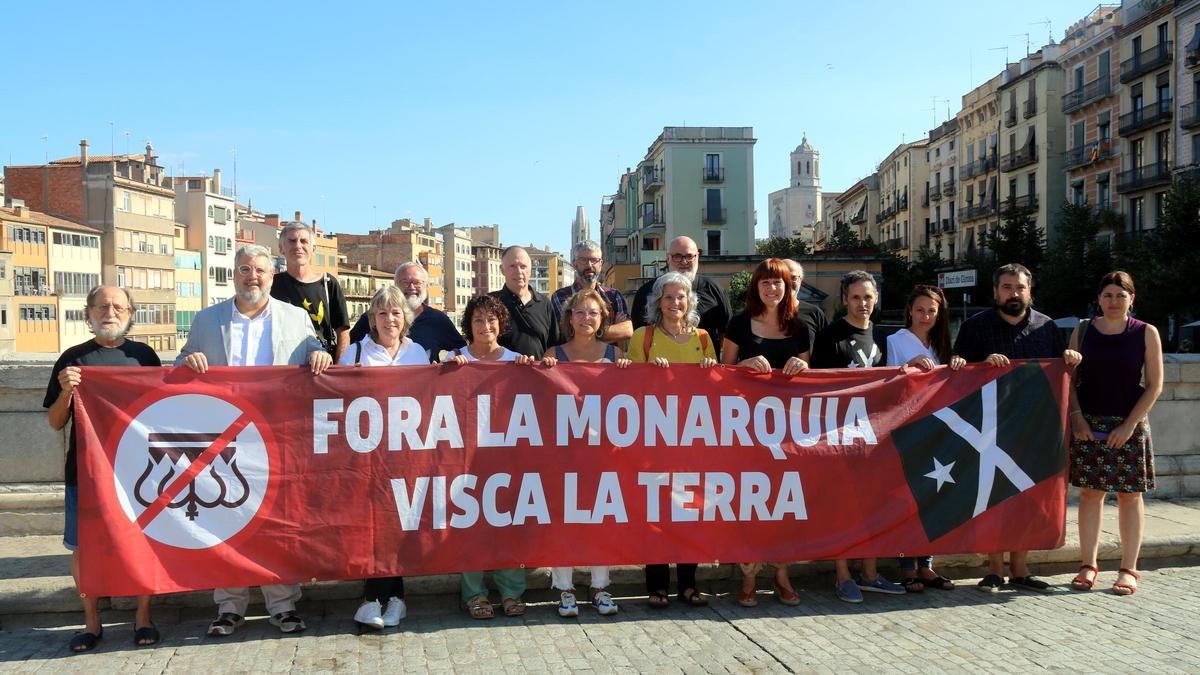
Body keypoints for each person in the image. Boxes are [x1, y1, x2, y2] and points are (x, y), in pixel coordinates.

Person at [177, 244, 332, 636]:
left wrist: (321, 356)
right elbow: (180, 363)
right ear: (234, 274)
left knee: (276, 524)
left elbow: (316, 349)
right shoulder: (207, 320)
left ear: (271, 275)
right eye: (245, 269)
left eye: (260, 270)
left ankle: (282, 604)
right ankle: (229, 605)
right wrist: (188, 362)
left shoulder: (294, 317)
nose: (253, 277)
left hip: (276, 439)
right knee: (225, 518)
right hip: (224, 439)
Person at [45, 286, 162, 653]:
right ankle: (91, 622)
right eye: (101, 306)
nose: (109, 311)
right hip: (86, 470)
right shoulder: (72, 358)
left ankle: (143, 618)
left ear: (130, 313)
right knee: (82, 546)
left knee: (144, 540)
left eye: (117, 306)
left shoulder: (144, 356)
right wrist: (66, 392)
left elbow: (161, 410)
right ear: (88, 313)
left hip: (137, 470)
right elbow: (54, 422)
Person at [953, 262, 1082, 593]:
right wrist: (981, 367)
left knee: (1027, 497)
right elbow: (954, 374)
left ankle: (1020, 570)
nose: (1013, 293)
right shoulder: (974, 327)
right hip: (989, 429)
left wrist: (1067, 358)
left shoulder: (1047, 327)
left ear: (1030, 292)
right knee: (994, 500)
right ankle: (994, 569)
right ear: (995, 292)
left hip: (1034, 429)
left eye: (1019, 288)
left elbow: (1060, 374)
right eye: (1007, 287)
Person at [810, 270, 905, 603]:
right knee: (843, 506)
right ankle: (842, 575)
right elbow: (818, 386)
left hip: (875, 435)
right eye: (856, 297)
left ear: (876, 298)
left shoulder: (884, 337)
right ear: (844, 299)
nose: (862, 304)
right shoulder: (829, 335)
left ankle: (870, 573)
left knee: (873, 506)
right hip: (839, 434)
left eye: (868, 297)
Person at [1067, 271, 1162, 596]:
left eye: (1120, 296)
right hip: (1090, 423)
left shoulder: (1146, 332)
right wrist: (1077, 418)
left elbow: (1154, 385)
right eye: (1108, 295)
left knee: (1130, 496)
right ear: (1099, 298)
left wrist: (1129, 425)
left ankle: (1128, 569)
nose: (1113, 301)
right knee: (1091, 495)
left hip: (1130, 424)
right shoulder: (1082, 331)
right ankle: (1088, 565)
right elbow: (1070, 381)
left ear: (1131, 299)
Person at [721, 258, 809, 607]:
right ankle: (749, 576)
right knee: (749, 502)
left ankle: (782, 575)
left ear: (788, 288)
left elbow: (810, 379)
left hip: (786, 429)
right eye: (765, 283)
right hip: (745, 429)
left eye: (779, 283)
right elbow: (720, 373)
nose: (772, 289)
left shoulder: (799, 327)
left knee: (785, 504)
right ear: (755, 288)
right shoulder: (739, 324)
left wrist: (804, 366)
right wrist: (741, 365)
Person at [340, 286, 428, 628]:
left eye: (395, 313)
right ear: (372, 319)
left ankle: (385, 599)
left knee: (398, 523)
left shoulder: (417, 352)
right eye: (382, 313)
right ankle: (383, 598)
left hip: (407, 453)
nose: (389, 319)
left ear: (404, 318)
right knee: (374, 525)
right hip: (367, 454)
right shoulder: (356, 353)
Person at [629, 272, 718, 608]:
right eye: (668, 297)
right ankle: (657, 587)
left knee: (689, 512)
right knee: (656, 512)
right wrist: (649, 370)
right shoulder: (644, 337)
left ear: (689, 301)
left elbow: (716, 392)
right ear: (657, 302)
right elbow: (627, 388)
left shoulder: (705, 338)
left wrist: (711, 368)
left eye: (681, 297)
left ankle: (689, 586)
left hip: (693, 441)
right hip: (654, 440)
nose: (675, 303)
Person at [540, 289, 630, 617]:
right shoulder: (554, 354)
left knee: (600, 520)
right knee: (563, 520)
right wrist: (543, 370)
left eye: (593, 313)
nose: (586, 318)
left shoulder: (616, 356)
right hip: (564, 454)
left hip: (602, 453)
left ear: (603, 317)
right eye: (579, 312)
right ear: (569, 318)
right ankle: (564, 588)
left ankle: (599, 586)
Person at [450, 294, 538, 618]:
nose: (485, 326)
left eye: (491, 320)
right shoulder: (454, 359)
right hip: (464, 459)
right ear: (468, 325)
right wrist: (446, 371)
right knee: (469, 524)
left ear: (500, 324)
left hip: (506, 458)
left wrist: (532, 372)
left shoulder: (517, 361)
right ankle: (474, 594)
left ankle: (511, 591)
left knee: (507, 523)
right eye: (477, 320)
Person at [885, 285, 967, 592]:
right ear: (909, 311)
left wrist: (957, 364)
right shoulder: (895, 340)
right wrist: (909, 368)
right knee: (908, 496)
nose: (925, 316)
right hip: (908, 424)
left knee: (933, 494)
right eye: (920, 310)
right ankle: (907, 566)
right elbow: (887, 377)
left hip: (939, 425)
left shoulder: (943, 342)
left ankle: (927, 565)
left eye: (931, 311)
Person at [631, 236, 731, 357]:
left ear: (697, 257)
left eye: (689, 256)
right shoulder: (646, 292)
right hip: (657, 371)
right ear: (668, 258)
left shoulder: (715, 290)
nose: (684, 262)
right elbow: (640, 336)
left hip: (703, 371)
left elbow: (727, 335)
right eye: (677, 256)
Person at [347, 261, 466, 361]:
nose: (411, 287)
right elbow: (350, 349)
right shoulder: (371, 317)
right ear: (395, 285)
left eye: (417, 282)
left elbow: (462, 351)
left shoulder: (438, 320)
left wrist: (452, 359)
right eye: (405, 282)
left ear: (426, 286)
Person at [271, 220, 350, 361]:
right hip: (285, 367)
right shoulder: (271, 285)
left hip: (322, 369)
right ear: (281, 248)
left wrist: (340, 370)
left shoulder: (328, 284)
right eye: (292, 241)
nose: (298, 246)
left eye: (303, 241)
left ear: (313, 248)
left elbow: (343, 333)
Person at [550, 239, 633, 345]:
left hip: (608, 360)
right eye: (583, 260)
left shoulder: (613, 296)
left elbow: (627, 330)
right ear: (575, 264)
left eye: (594, 260)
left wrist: (584, 331)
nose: (589, 265)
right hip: (573, 360)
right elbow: (569, 333)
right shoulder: (561, 296)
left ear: (601, 264)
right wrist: (613, 331)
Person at [489, 246, 560, 359]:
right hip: (500, 374)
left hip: (536, 375)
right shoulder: (491, 303)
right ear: (502, 270)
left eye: (523, 266)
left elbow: (555, 345)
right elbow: (478, 344)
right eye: (512, 266)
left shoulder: (544, 304)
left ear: (530, 271)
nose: (519, 271)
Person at [784, 258, 828, 350]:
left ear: (801, 280)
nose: (788, 282)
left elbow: (825, 351)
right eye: (783, 278)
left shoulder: (815, 313)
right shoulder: (761, 314)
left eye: (793, 278)